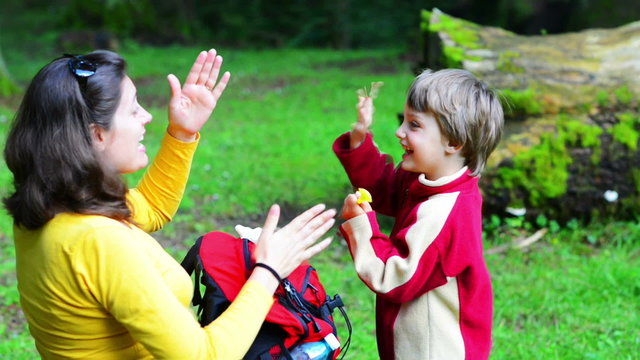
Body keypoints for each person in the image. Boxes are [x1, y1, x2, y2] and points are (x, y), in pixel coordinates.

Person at [3, 49, 335, 359]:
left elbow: (151, 207)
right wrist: (268, 272)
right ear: (97, 135)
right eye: (133, 109)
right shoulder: (96, 240)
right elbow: (203, 355)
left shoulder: (52, 204)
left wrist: (182, 133)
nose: (147, 116)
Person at [333, 69, 504, 360]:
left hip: (434, 350)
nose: (400, 132)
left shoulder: (445, 213)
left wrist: (361, 226)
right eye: (404, 120)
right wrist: (361, 143)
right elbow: (385, 188)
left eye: (414, 125)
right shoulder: (427, 181)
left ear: (453, 142)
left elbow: (393, 276)